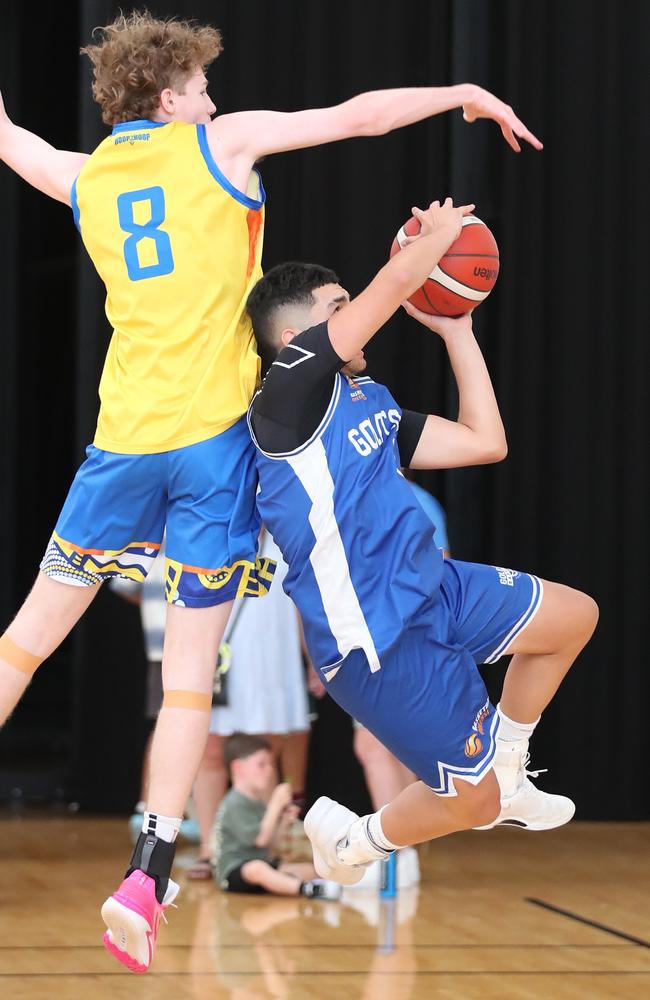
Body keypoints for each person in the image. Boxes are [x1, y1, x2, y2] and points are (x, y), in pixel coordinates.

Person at [0, 9, 542, 973]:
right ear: (170, 99)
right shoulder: (220, 142)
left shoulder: (83, 176)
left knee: (24, 646)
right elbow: (361, 115)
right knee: (184, 694)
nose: (212, 97)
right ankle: (145, 872)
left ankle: (153, 869)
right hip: (211, 454)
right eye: (200, 87)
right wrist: (459, 92)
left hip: (121, 445)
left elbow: (14, 141)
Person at [244, 197, 599, 885]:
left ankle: (510, 763)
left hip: (434, 587)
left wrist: (456, 330)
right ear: (296, 339)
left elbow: (485, 442)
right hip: (376, 637)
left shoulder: (368, 399)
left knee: (573, 618)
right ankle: (357, 844)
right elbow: (395, 284)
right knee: (473, 805)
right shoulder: (284, 402)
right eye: (338, 305)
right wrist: (433, 242)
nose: (356, 313)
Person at [189, 529, 312, 880]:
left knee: (265, 753)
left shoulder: (288, 530)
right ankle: (211, 849)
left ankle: (262, 848)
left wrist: (312, 659)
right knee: (210, 750)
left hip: (272, 657)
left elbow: (305, 600)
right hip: (222, 655)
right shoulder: (213, 529)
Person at [213, 734, 339, 899]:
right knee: (256, 868)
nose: (270, 770)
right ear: (238, 767)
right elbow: (261, 839)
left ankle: (340, 883)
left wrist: (284, 822)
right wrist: (275, 804)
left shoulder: (255, 801)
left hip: (261, 863)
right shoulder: (234, 802)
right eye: (261, 765)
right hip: (235, 871)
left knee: (307, 869)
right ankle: (308, 889)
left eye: (270, 764)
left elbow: (269, 845)